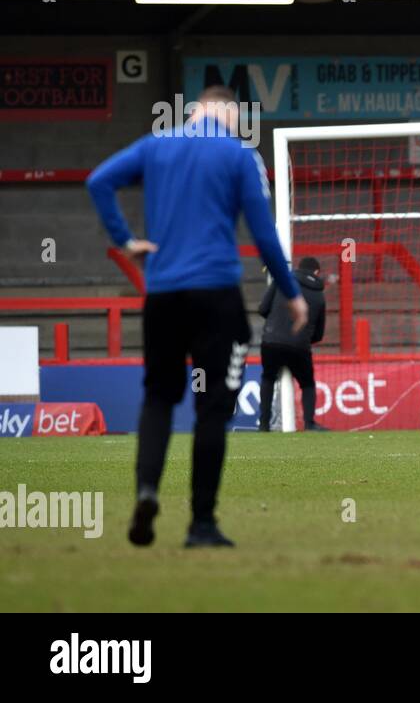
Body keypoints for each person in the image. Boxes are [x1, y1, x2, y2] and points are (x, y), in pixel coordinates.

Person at [87, 85, 307, 548]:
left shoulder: (156, 145)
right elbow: (264, 235)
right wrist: (291, 292)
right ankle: (201, 524)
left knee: (158, 399)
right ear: (228, 113)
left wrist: (126, 241)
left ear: (192, 113)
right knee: (212, 410)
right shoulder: (238, 155)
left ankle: (147, 491)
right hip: (216, 296)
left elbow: (98, 181)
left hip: (164, 295)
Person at [258, 256, 328, 432]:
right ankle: (309, 423)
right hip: (299, 346)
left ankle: (264, 424)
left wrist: (276, 322)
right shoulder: (320, 296)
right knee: (307, 384)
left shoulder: (282, 280)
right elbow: (319, 334)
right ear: (317, 272)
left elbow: (262, 308)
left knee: (268, 378)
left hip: (272, 341)